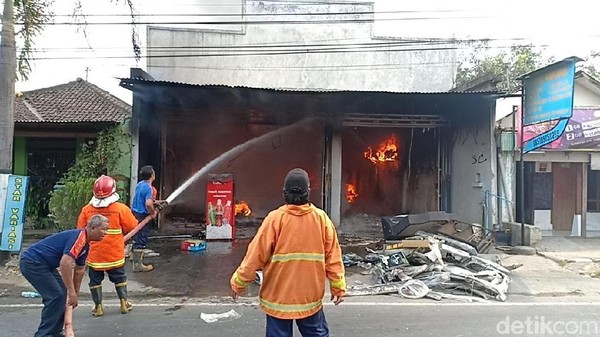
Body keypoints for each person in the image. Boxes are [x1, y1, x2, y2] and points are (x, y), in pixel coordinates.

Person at [230, 168, 346, 337]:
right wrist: (338, 287)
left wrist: (238, 282)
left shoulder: (274, 219)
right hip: (309, 299)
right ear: (308, 192)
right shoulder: (321, 219)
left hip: (278, 300)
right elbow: (333, 257)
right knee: (316, 333)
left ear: (284, 193)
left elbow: (254, 256)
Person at [19, 214, 109, 337]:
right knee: (55, 296)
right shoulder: (79, 238)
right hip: (33, 262)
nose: (106, 233)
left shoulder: (85, 245)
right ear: (93, 228)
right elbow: (65, 264)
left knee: (62, 294)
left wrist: (74, 294)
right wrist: (71, 292)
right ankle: (44, 334)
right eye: (103, 229)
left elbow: (79, 270)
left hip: (45, 265)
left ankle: (55, 332)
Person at [77, 175, 139, 317]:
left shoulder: (87, 210)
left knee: (95, 280)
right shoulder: (120, 209)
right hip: (114, 253)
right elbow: (132, 226)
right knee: (119, 278)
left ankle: (98, 307)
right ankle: (124, 303)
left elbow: (80, 230)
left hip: (95, 255)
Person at [130, 165, 158, 272]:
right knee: (141, 238)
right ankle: (137, 265)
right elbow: (148, 204)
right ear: (152, 175)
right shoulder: (149, 188)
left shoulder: (140, 184)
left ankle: (134, 257)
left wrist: (157, 202)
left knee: (136, 235)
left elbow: (142, 199)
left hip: (135, 213)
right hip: (142, 216)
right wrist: (153, 212)